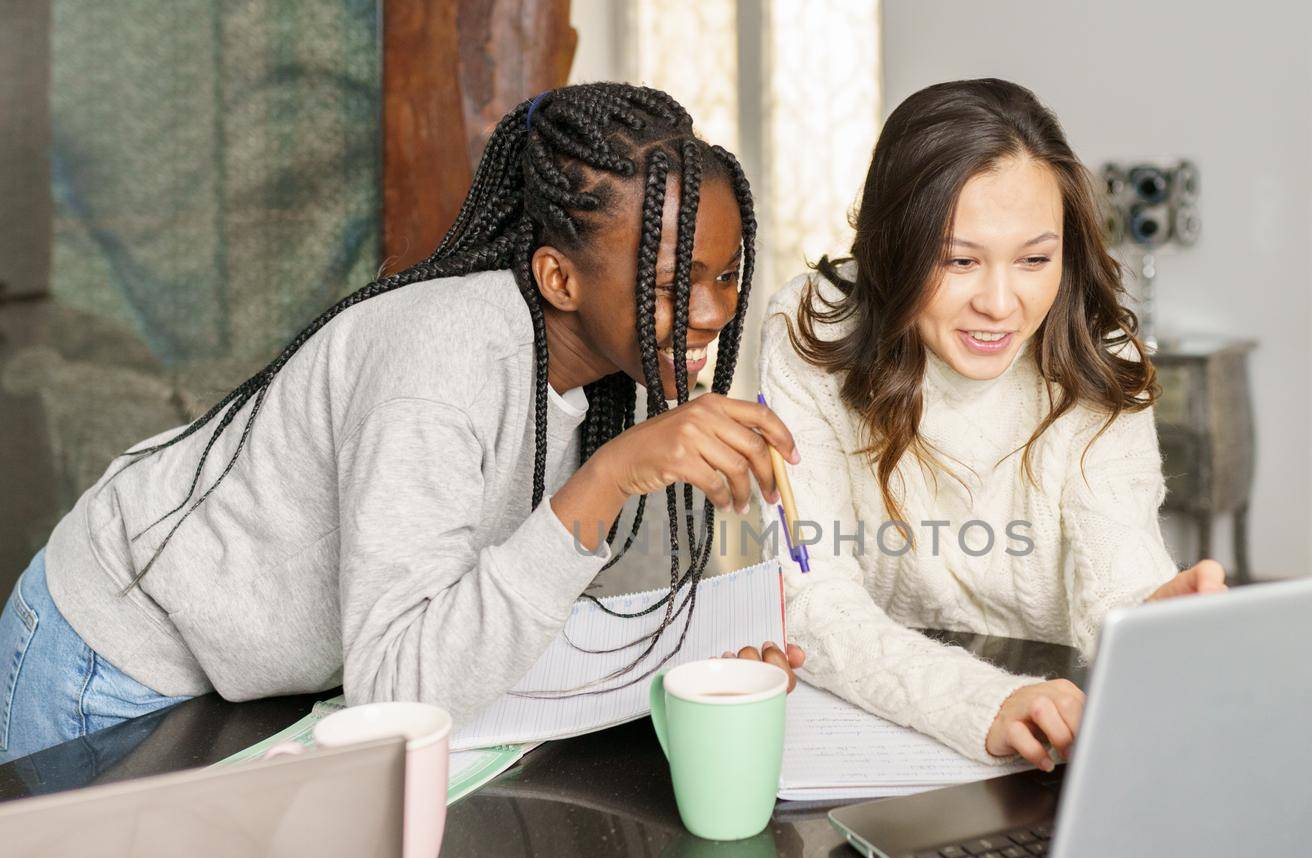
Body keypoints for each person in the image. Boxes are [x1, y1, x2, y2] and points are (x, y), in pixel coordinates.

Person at [0, 83, 803, 765]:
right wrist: (608, 476)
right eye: (673, 283)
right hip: (114, 661)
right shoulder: (441, 366)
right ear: (558, 277)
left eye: (727, 275)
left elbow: (543, 595)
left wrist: (705, 665)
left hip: (247, 684)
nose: (712, 311)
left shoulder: (605, 380)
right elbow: (397, 689)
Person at [760, 78, 1224, 773]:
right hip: (890, 728)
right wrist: (982, 703)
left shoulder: (1101, 357)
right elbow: (811, 600)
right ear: (894, 246)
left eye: (1035, 259)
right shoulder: (813, 327)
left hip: (1053, 734)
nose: (1002, 303)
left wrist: (1152, 613)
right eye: (959, 260)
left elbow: (1115, 584)